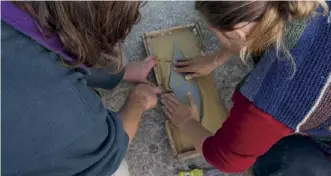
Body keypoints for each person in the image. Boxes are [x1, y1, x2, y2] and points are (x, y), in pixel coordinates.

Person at [161, 1, 331, 175]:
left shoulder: (270, 101)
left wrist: (187, 122)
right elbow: (253, 31)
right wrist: (215, 59)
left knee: (271, 161)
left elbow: (226, 160)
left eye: (214, 30)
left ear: (237, 32)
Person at [2, 1, 160, 176]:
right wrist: (139, 100)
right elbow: (107, 152)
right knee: (118, 171)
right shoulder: (65, 109)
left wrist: (121, 74)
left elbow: (61, 47)